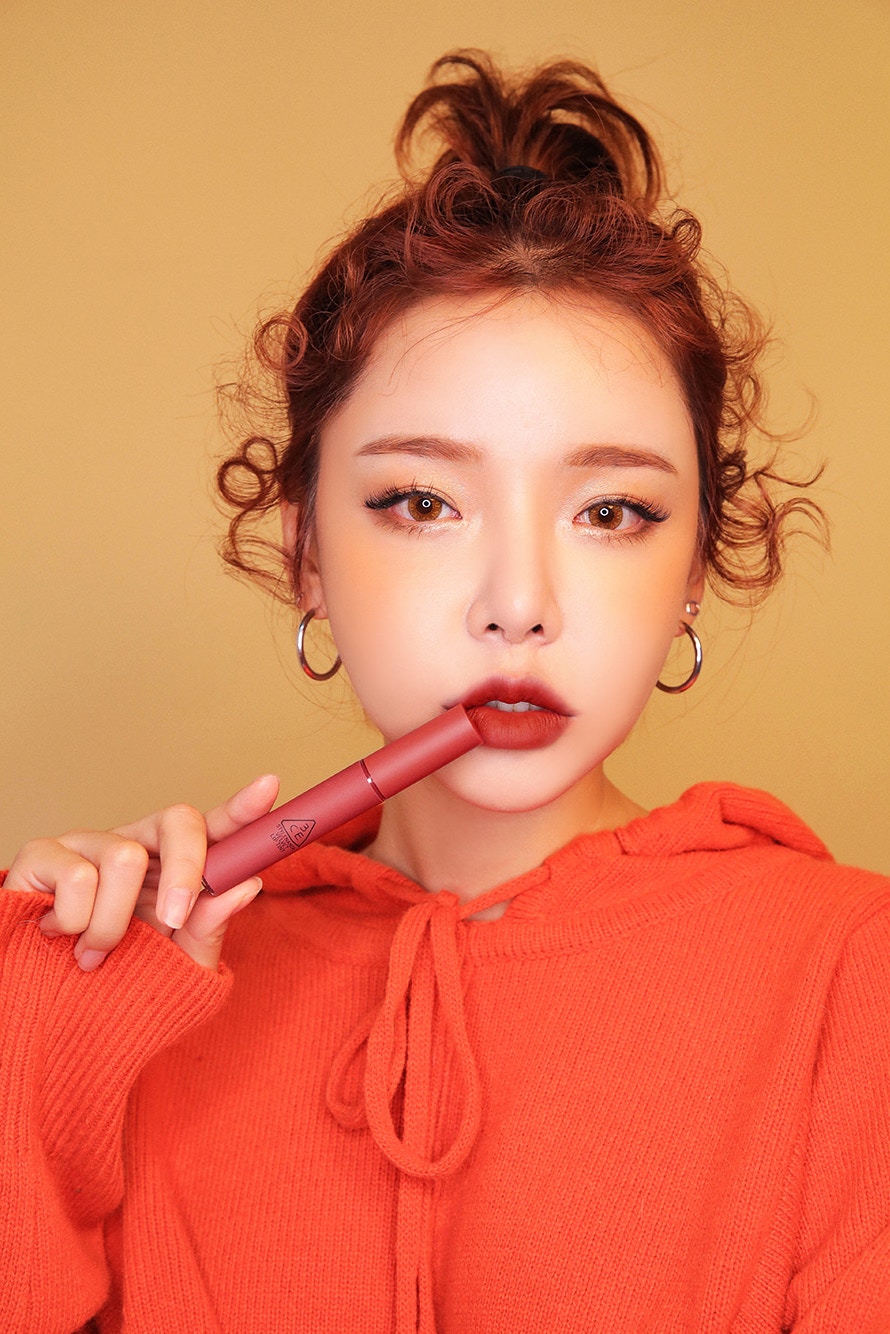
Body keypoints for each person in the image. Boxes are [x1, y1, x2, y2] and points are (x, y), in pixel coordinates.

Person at [2, 49, 888, 1334]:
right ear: (305, 552)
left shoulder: (850, 978)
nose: (516, 600)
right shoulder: (143, 994)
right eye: (421, 501)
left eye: (610, 509)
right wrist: (38, 1042)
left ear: (695, 562)